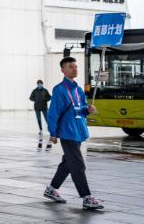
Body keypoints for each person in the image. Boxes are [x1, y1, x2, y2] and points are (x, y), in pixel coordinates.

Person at [44, 57, 103, 211]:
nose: (75, 69)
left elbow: (81, 109)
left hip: (78, 131)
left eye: (76, 66)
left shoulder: (78, 90)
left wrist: (88, 110)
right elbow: (53, 112)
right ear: (63, 70)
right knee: (78, 165)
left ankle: (51, 189)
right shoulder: (59, 89)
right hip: (67, 132)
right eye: (70, 66)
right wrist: (53, 132)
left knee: (68, 163)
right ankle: (87, 197)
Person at [30, 80, 52, 149]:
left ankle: (51, 129)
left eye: (40, 84)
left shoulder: (45, 91)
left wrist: (46, 99)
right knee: (38, 119)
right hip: (37, 107)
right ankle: (40, 129)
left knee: (47, 119)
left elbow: (49, 97)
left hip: (44, 107)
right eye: (38, 84)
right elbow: (31, 98)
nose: (39, 85)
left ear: (42, 84)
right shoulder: (34, 91)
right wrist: (35, 99)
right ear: (37, 84)